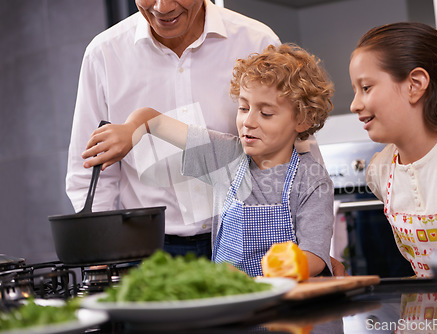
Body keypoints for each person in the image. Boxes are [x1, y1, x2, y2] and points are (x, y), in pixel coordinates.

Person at [81, 43, 335, 277]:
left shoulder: (312, 178)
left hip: (288, 309)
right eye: (244, 108)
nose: (248, 121)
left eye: (266, 113)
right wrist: (130, 129)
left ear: (303, 120)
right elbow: (153, 119)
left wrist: (266, 277)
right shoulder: (227, 156)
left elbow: (315, 256)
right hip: (232, 306)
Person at [66, 0, 284, 259]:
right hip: (147, 249)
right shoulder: (103, 54)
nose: (162, 7)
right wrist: (100, 251)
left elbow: (296, 149)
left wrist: (313, 249)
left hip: (249, 239)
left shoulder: (257, 41)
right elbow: (90, 172)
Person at [349, 22, 437, 278]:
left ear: (415, 83)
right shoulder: (380, 170)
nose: (355, 104)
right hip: (424, 315)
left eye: (366, 88)